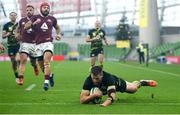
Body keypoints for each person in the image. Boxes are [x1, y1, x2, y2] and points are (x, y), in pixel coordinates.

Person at [24, 2, 62, 91]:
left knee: (46, 62)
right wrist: (34, 24)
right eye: (44, 7)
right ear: (41, 8)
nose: (46, 9)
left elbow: (57, 27)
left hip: (48, 43)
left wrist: (59, 34)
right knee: (42, 67)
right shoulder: (35, 17)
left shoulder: (52, 19)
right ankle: (50, 75)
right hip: (37, 45)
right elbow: (26, 27)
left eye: (47, 7)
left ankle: (46, 83)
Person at [80, 66, 157, 107]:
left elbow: (112, 97)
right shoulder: (89, 80)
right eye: (93, 78)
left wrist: (104, 104)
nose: (94, 80)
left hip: (117, 84)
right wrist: (94, 95)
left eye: (97, 79)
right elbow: (82, 100)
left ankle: (142, 82)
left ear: (102, 75)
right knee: (95, 89)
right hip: (103, 89)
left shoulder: (109, 78)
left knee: (133, 89)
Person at [15, 4, 40, 85]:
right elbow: (17, 29)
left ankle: (35, 66)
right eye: (27, 10)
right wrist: (17, 35)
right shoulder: (22, 20)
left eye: (30, 10)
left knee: (33, 62)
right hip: (24, 43)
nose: (29, 11)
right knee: (23, 60)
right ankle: (21, 78)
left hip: (34, 44)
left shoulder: (38, 20)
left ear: (33, 11)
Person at [2, 12, 20, 83]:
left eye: (14, 15)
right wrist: (7, 34)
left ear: (16, 16)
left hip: (18, 45)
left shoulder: (19, 24)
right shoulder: (6, 25)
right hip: (10, 46)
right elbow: (3, 36)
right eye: (11, 15)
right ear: (9, 17)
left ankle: (20, 75)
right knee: (13, 61)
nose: (13, 16)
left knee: (18, 59)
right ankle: (16, 76)